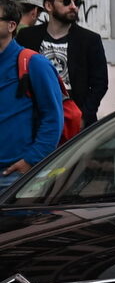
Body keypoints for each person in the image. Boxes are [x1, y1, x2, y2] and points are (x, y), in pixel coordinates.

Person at [21, 0, 107, 127]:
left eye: (77, 2)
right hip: (36, 117)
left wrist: (84, 116)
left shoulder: (90, 40)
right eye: (66, 2)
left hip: (74, 117)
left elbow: (100, 83)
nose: (73, 6)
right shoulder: (27, 37)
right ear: (48, 5)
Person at [0, 21, 66, 177]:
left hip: (14, 174)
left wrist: (31, 160)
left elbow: (53, 117)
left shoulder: (34, 63)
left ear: (11, 26)